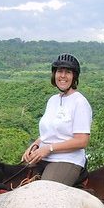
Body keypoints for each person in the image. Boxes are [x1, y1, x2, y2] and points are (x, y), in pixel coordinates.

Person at [21, 53, 92, 185]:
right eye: (60, 71)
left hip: (66, 160)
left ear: (74, 77)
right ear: (54, 75)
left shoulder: (80, 102)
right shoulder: (53, 100)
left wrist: (49, 148)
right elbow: (48, 133)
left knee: (44, 193)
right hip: (43, 156)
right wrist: (35, 145)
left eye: (68, 72)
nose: (63, 76)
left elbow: (82, 140)